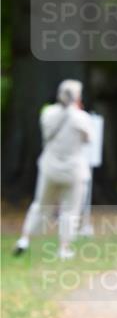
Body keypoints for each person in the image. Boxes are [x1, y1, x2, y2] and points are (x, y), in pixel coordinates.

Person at [14, 80, 93, 260]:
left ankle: (24, 239)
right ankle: (64, 248)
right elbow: (88, 139)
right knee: (70, 210)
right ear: (78, 96)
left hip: (49, 167)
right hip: (74, 170)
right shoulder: (82, 118)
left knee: (40, 205)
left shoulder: (48, 113)